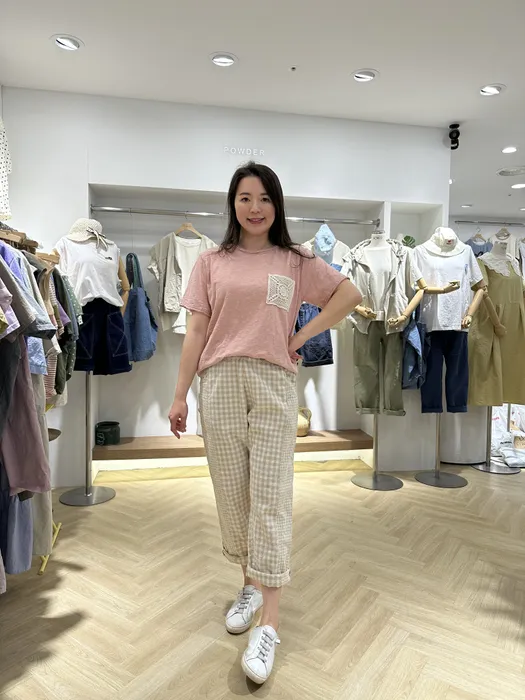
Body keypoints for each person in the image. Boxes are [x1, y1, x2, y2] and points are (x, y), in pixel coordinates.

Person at [169, 162, 361, 684]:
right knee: (233, 493)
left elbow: (349, 296)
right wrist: (180, 394)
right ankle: (250, 586)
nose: (255, 208)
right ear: (232, 204)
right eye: (245, 198)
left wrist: (300, 337)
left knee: (271, 495)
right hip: (219, 382)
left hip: (274, 382)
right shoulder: (210, 261)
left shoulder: (296, 259)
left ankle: (269, 624)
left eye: (265, 198)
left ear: (277, 204)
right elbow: (195, 332)